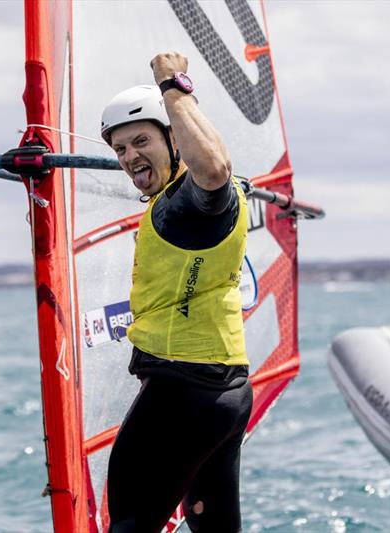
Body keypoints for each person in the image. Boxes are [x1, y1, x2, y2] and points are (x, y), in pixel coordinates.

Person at [101, 52, 253, 533]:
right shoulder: (187, 204)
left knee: (130, 524)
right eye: (120, 149)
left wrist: (171, 84)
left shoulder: (194, 200)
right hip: (226, 394)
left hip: (183, 396)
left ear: (173, 138)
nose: (129, 158)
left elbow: (212, 170)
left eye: (141, 141)